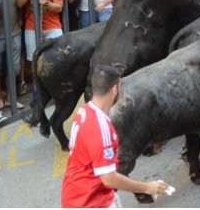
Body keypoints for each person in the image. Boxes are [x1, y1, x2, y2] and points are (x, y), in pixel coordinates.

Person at [61, 65, 169, 207]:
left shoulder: (84, 111)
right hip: (90, 202)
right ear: (114, 89)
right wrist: (147, 187)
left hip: (78, 194)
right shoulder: (100, 128)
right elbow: (109, 178)